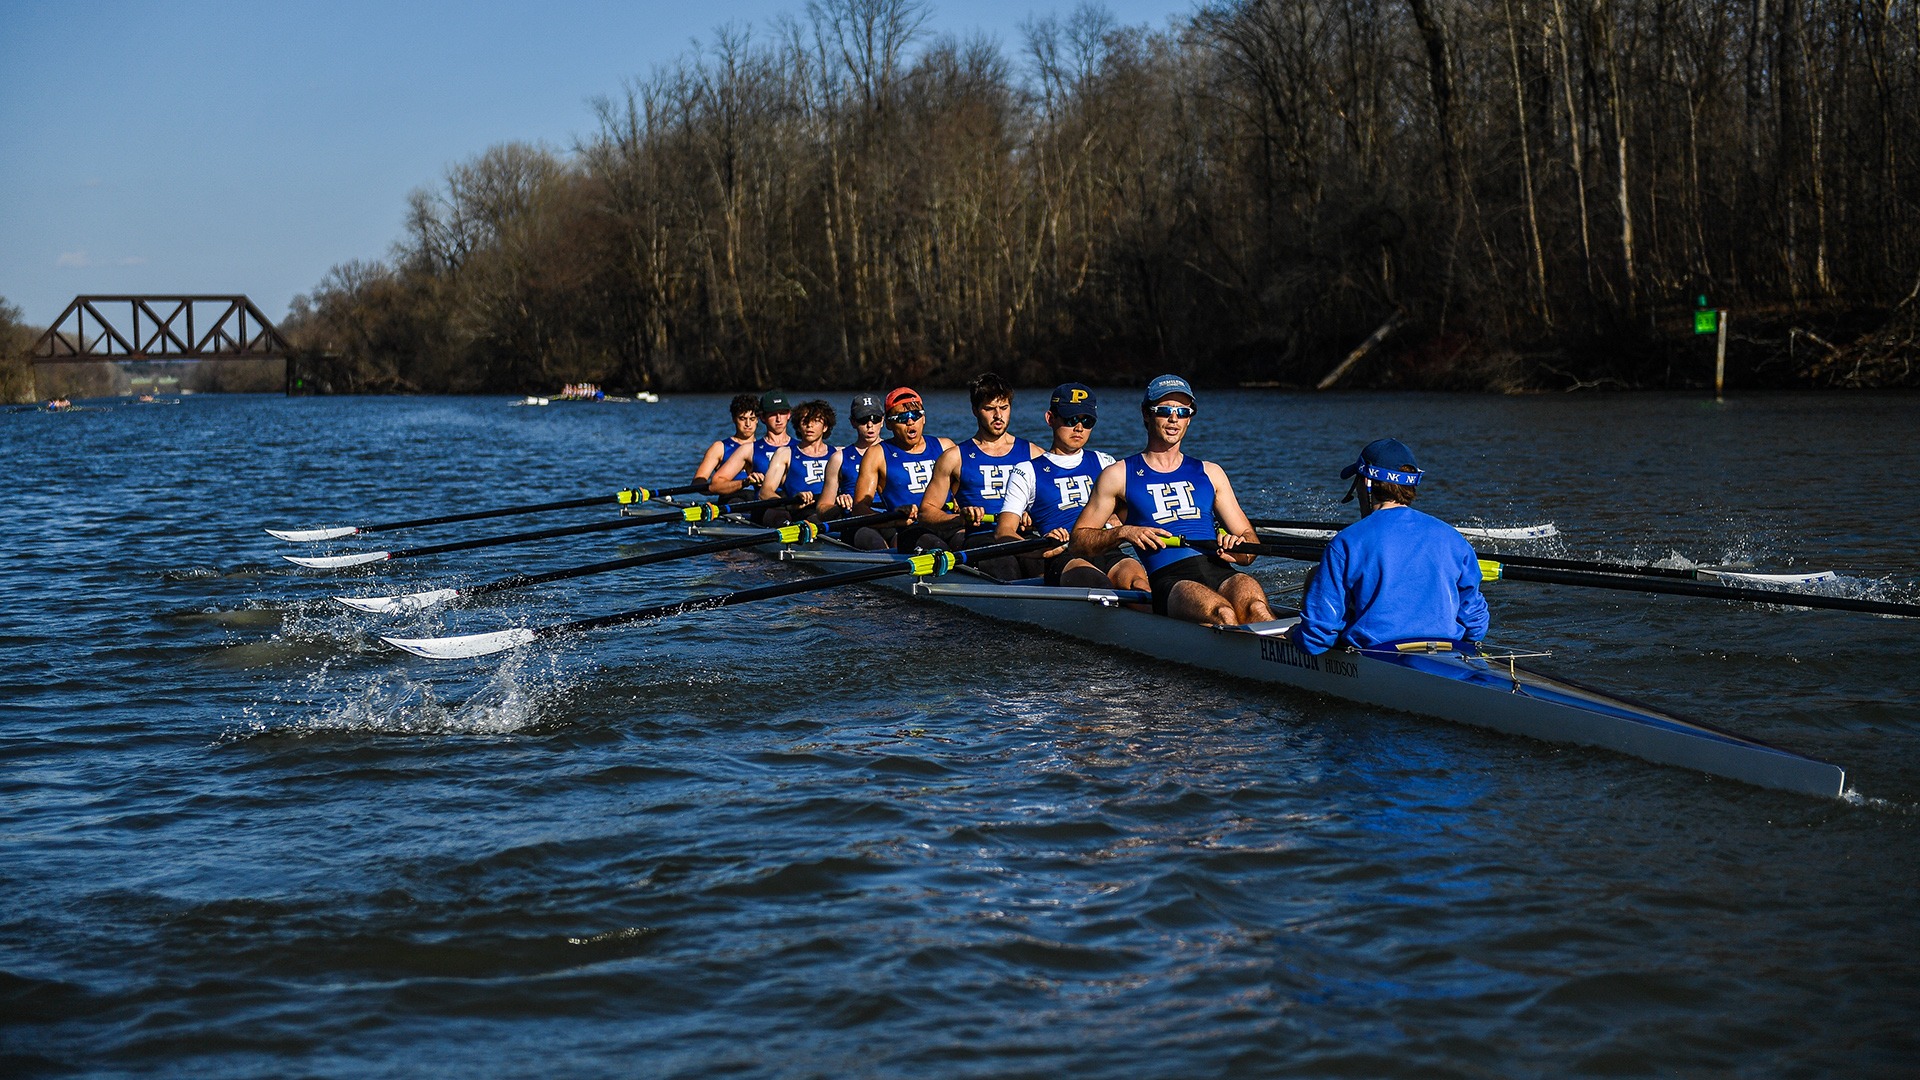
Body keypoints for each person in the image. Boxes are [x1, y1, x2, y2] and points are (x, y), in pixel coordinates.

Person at [1070, 375, 1274, 625]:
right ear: (1146, 414)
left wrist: (1239, 549)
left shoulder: (1211, 472)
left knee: (1257, 609)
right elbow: (1078, 541)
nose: (1174, 418)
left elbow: (1249, 543)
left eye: (1183, 411)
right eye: (1164, 410)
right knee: (1223, 613)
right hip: (1170, 580)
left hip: (1219, 569)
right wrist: (1125, 532)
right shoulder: (1118, 475)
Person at [1288, 439, 1490, 654]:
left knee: (1315, 578)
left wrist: (1293, 636)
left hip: (1380, 659)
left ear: (1365, 483)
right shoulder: (1453, 538)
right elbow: (1476, 627)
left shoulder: (1346, 542)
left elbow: (1315, 641)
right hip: (1449, 653)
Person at [993, 383, 1147, 590]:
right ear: (1050, 419)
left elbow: (1134, 515)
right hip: (1062, 555)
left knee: (1139, 583)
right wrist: (1038, 552)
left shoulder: (1105, 463)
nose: (1079, 427)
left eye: (1087, 420)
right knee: (1099, 584)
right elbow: (1004, 532)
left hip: (1103, 548)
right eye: (1071, 418)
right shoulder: (1026, 471)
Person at [915, 372, 1042, 551]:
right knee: (1004, 562)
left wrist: (1034, 515)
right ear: (975, 410)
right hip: (980, 538)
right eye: (990, 409)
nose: (998, 415)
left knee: (1038, 565)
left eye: (1004, 408)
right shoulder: (954, 458)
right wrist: (960, 519)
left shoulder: (1033, 454)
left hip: (1020, 535)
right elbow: (926, 512)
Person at [850, 386, 956, 550]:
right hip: (908, 529)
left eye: (915, 415)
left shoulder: (946, 447)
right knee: (937, 545)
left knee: (965, 539)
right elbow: (859, 509)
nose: (910, 421)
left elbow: (963, 491)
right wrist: (893, 520)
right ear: (889, 424)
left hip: (946, 522)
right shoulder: (877, 454)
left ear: (924, 418)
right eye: (902, 417)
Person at [757, 399, 839, 525]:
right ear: (798, 427)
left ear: (825, 427)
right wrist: (790, 504)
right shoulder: (785, 454)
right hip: (797, 512)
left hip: (828, 511)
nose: (809, 425)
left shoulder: (837, 454)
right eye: (805, 421)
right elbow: (765, 492)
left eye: (816, 421)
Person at [711, 390, 794, 495]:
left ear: (789, 415)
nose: (778, 419)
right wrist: (745, 482)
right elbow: (715, 484)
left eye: (782, 413)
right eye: (773, 414)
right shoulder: (748, 449)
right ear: (762, 417)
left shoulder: (801, 447)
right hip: (765, 507)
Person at [818, 393, 886, 516]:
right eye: (863, 419)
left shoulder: (895, 452)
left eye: (875, 418)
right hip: (857, 522)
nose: (870, 425)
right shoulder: (839, 458)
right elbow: (822, 510)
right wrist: (839, 506)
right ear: (853, 422)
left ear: (882, 421)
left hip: (891, 518)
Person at [693, 394, 760, 488]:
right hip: (731, 499)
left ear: (758, 420)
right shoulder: (719, 448)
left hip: (759, 499)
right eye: (742, 419)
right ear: (734, 419)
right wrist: (715, 489)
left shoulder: (765, 446)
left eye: (752, 419)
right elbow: (698, 483)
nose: (748, 424)